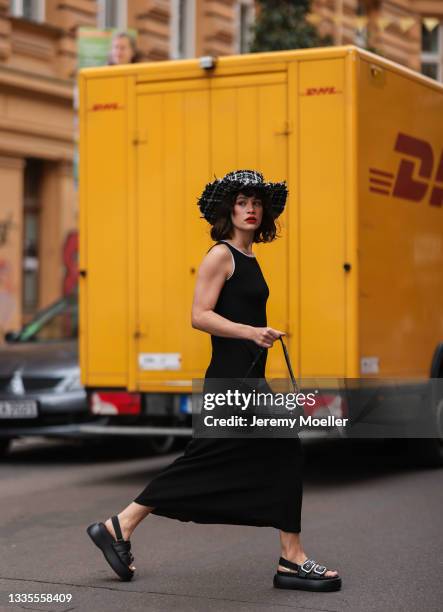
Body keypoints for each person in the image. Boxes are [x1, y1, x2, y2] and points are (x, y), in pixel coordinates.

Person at [86, 170, 342, 592]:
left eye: (257, 204)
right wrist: (250, 332)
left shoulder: (250, 258)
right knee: (208, 460)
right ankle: (120, 524)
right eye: (243, 203)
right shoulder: (220, 255)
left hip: (248, 379)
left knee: (282, 453)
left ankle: (290, 557)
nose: (251, 210)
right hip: (229, 382)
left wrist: (261, 334)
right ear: (229, 210)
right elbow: (198, 315)